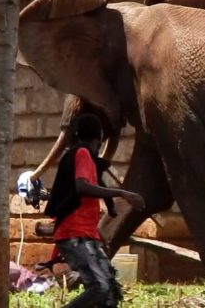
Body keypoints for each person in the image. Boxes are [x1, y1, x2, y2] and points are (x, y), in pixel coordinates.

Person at [44, 113, 145, 308]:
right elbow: (82, 187)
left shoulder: (83, 156)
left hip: (85, 235)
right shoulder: (81, 153)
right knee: (100, 286)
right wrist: (122, 193)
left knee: (110, 291)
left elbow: (81, 203)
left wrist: (98, 236)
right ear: (99, 136)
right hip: (74, 235)